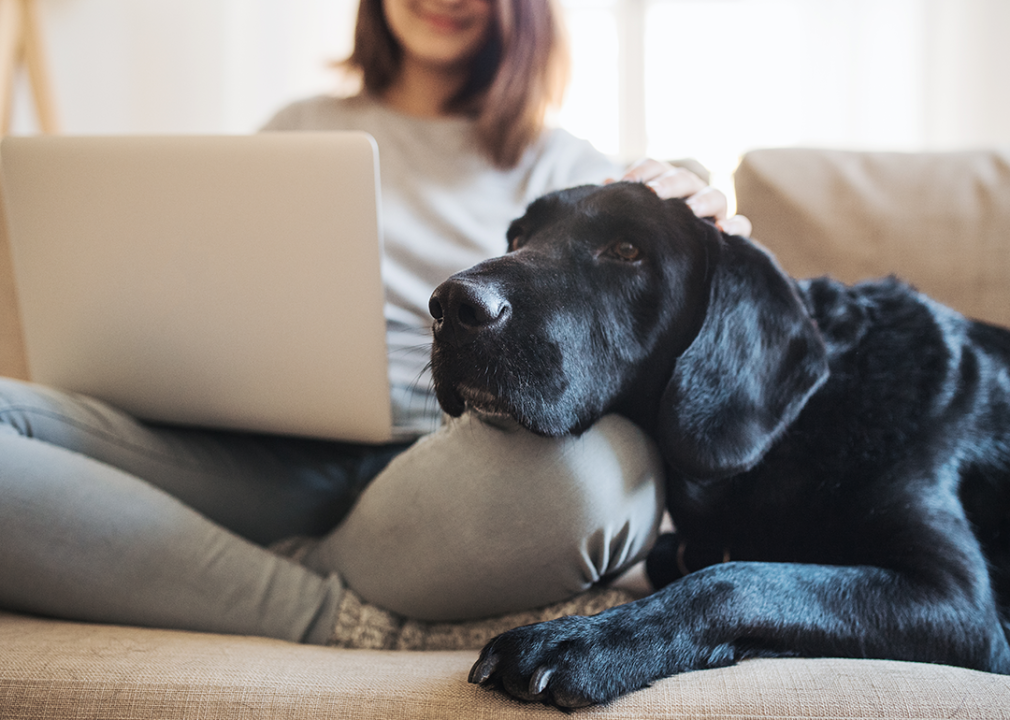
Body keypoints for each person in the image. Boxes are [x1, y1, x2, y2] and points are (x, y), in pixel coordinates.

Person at [0, 0, 750, 646]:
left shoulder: (565, 166)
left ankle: (188, 564)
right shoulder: (298, 127)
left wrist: (704, 223)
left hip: (455, 464)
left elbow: (662, 314)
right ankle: (336, 613)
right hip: (263, 448)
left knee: (600, 481)